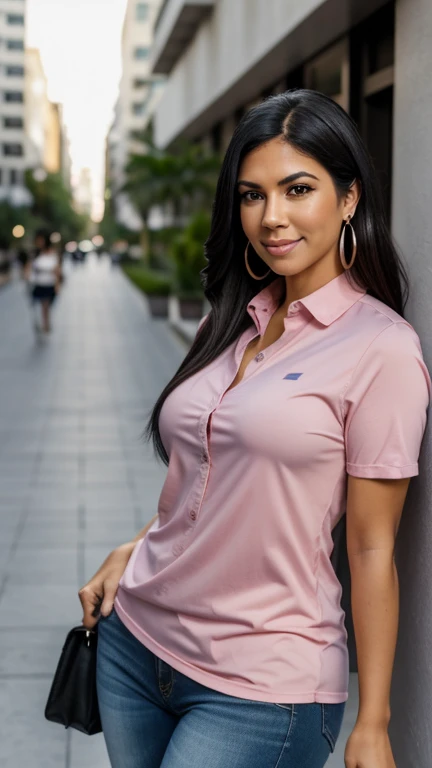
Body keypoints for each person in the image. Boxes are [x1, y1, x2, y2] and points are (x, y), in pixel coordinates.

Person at [79, 90, 430, 768]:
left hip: (261, 687)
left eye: (298, 189)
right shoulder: (227, 321)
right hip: (134, 647)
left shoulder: (382, 350)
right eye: (252, 195)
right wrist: (137, 545)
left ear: (350, 196)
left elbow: (370, 549)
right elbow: (211, 482)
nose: (272, 218)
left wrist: (374, 721)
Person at [26, 230, 61, 334]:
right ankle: (44, 324)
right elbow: (28, 268)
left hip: (49, 284)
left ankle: (45, 324)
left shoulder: (53, 253)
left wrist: (57, 285)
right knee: (40, 306)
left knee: (46, 306)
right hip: (38, 284)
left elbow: (57, 271)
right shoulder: (35, 253)